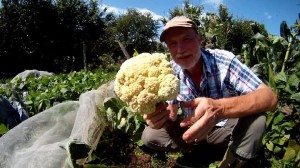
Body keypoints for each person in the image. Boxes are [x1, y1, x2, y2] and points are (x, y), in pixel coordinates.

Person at [141, 16, 278, 168]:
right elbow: (172, 113)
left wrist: (219, 108)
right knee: (150, 134)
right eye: (173, 43)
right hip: (192, 132)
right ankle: (199, 153)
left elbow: (269, 97)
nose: (180, 50)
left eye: (187, 39)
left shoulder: (224, 61)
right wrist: (160, 116)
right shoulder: (169, 71)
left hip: (224, 130)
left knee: (257, 121)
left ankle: (231, 161)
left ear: (199, 40)